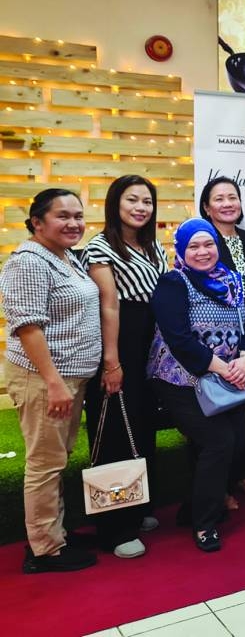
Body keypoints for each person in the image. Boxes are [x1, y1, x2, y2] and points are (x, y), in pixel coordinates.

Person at [1, 189, 101, 573]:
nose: (73, 223)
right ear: (37, 221)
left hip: (69, 377)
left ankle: (53, 533)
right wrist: (54, 382)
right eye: (63, 216)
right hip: (45, 378)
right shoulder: (28, 261)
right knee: (44, 463)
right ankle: (44, 550)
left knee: (56, 459)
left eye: (78, 215)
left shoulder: (64, 256)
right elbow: (28, 327)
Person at [148, 219, 245, 552]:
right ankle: (205, 523)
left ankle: (191, 509)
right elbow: (178, 339)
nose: (202, 252)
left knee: (235, 439)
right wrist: (223, 367)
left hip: (229, 375)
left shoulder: (234, 281)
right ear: (181, 250)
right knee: (219, 441)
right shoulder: (173, 282)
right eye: (193, 246)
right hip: (182, 379)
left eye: (208, 244)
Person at [83, 175, 168, 559]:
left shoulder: (152, 245)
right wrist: (112, 363)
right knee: (114, 433)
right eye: (132, 199)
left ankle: (137, 507)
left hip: (150, 346)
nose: (140, 207)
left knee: (141, 427)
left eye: (147, 201)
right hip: (119, 344)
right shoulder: (99, 248)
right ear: (115, 203)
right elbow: (109, 307)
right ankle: (113, 528)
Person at [199, 176, 245, 499]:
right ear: (207, 206)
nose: (227, 203)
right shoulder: (202, 240)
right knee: (218, 407)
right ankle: (221, 485)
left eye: (233, 197)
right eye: (219, 198)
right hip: (213, 333)